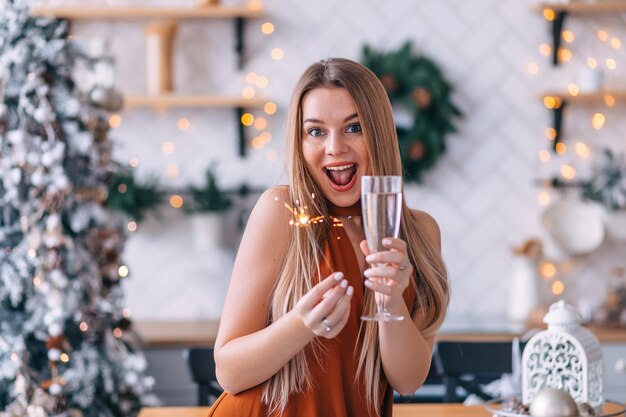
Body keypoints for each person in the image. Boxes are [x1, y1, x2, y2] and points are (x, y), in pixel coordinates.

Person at [208, 58, 449, 417]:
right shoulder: (282, 211)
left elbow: (408, 380)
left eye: (353, 128)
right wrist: (302, 324)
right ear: (300, 143)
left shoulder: (418, 234)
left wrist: (392, 299)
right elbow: (228, 370)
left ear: (379, 133)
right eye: (316, 132)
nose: (334, 147)